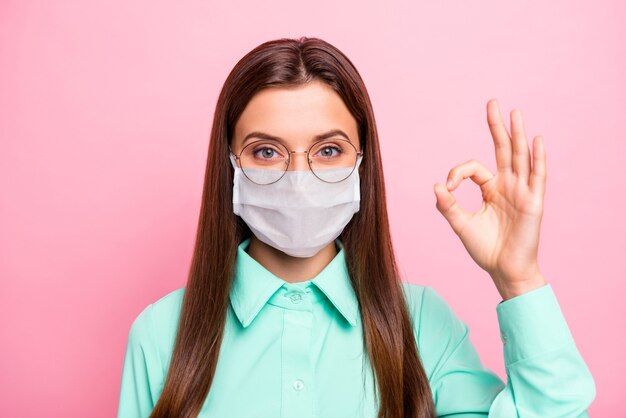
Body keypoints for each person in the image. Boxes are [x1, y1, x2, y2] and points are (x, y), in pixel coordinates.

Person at [116, 37, 596, 418]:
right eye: (266, 151)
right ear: (232, 166)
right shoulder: (161, 335)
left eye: (329, 150)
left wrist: (519, 278)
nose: (299, 178)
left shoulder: (422, 323)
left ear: (362, 164)